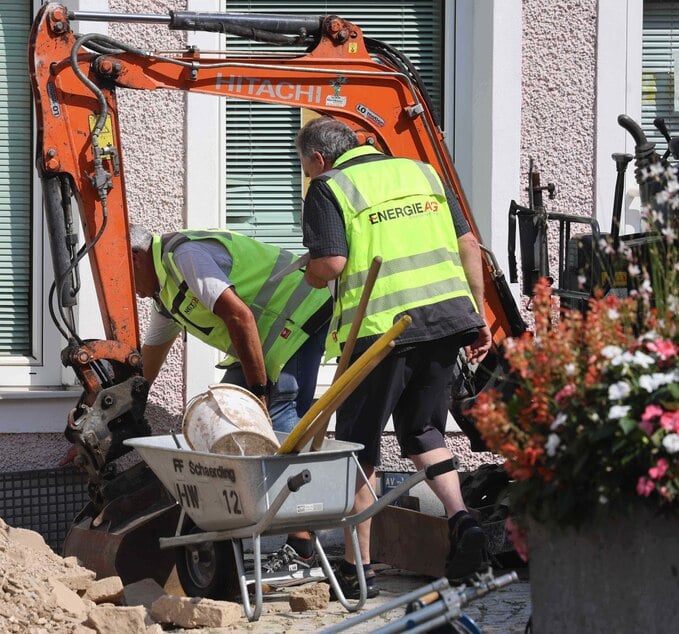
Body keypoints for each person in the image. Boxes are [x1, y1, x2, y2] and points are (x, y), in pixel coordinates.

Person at [295, 116, 493, 599]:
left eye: (304, 164)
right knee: (424, 430)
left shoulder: (329, 187)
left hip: (382, 331)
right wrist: (479, 313)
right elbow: (469, 243)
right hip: (447, 320)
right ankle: (462, 521)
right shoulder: (422, 172)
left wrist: (310, 273)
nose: (306, 172)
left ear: (319, 158)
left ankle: (356, 567)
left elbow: (332, 263)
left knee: (357, 445)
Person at [130, 225, 333, 578]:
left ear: (134, 256)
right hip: (261, 339)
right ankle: (250, 532)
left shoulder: (185, 258)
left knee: (278, 413)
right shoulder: (166, 295)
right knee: (230, 417)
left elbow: (240, 316)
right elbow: (148, 363)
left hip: (297, 317)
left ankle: (301, 549)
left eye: (125, 276)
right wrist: (121, 411)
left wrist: (258, 390)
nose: (130, 290)